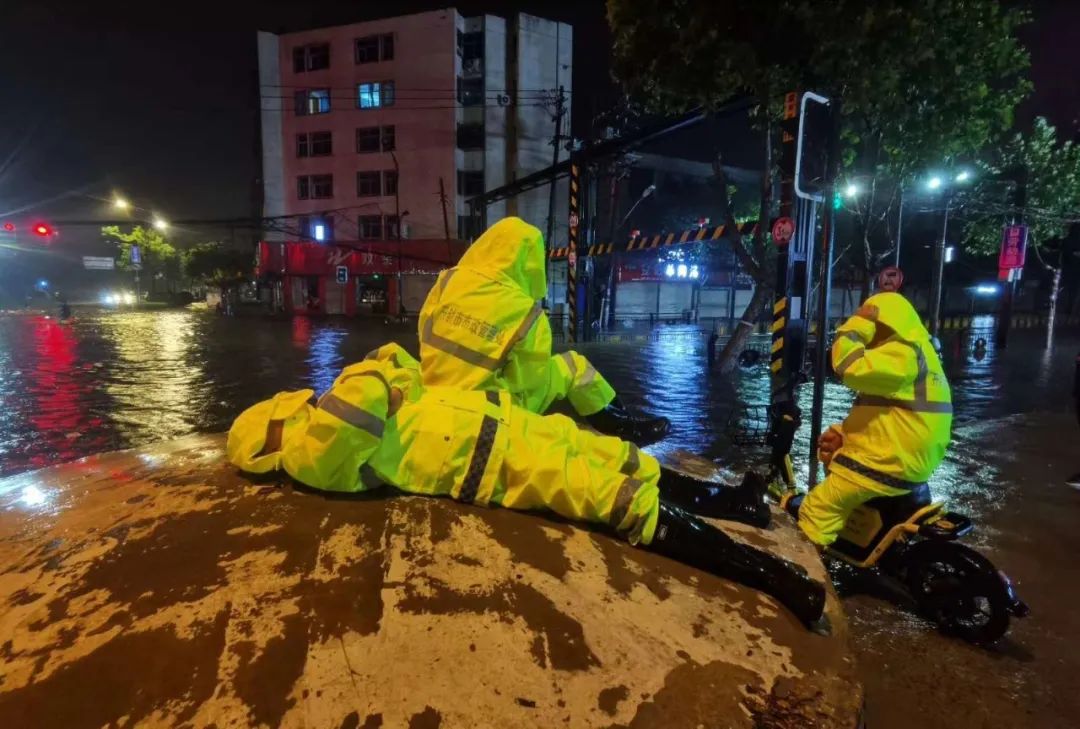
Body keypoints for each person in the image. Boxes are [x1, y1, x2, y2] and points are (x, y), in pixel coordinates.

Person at [226, 344, 824, 626]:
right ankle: (773, 577)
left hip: (500, 429)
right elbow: (369, 391)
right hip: (489, 463)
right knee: (613, 497)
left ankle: (733, 502)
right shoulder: (306, 453)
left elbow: (396, 370)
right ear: (276, 427)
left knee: (612, 456)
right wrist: (378, 374)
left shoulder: (317, 424)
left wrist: (387, 373)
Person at [417, 217, 670, 446]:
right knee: (573, 366)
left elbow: (424, 333)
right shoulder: (525, 313)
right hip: (489, 412)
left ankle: (624, 424)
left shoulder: (446, 282)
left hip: (435, 395)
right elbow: (530, 382)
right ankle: (625, 429)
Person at [793, 292, 952, 547]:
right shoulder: (923, 356)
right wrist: (841, 433)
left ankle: (802, 574)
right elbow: (884, 416)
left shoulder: (902, 353)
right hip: (908, 460)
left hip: (888, 462)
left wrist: (856, 325)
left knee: (819, 507)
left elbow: (847, 366)